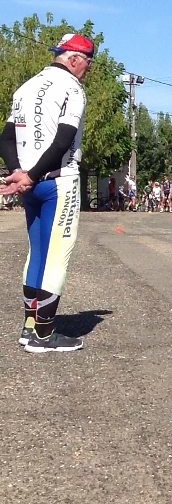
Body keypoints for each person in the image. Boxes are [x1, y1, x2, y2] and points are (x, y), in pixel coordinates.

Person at [0, 32, 94, 352]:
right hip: (59, 181)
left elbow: (6, 138)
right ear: (74, 59)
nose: (88, 71)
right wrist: (33, 174)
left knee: (36, 253)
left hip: (30, 183)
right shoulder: (72, 89)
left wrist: (18, 172)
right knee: (56, 258)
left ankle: (29, 328)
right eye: (88, 64)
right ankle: (44, 336)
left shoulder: (25, 87)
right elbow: (63, 140)